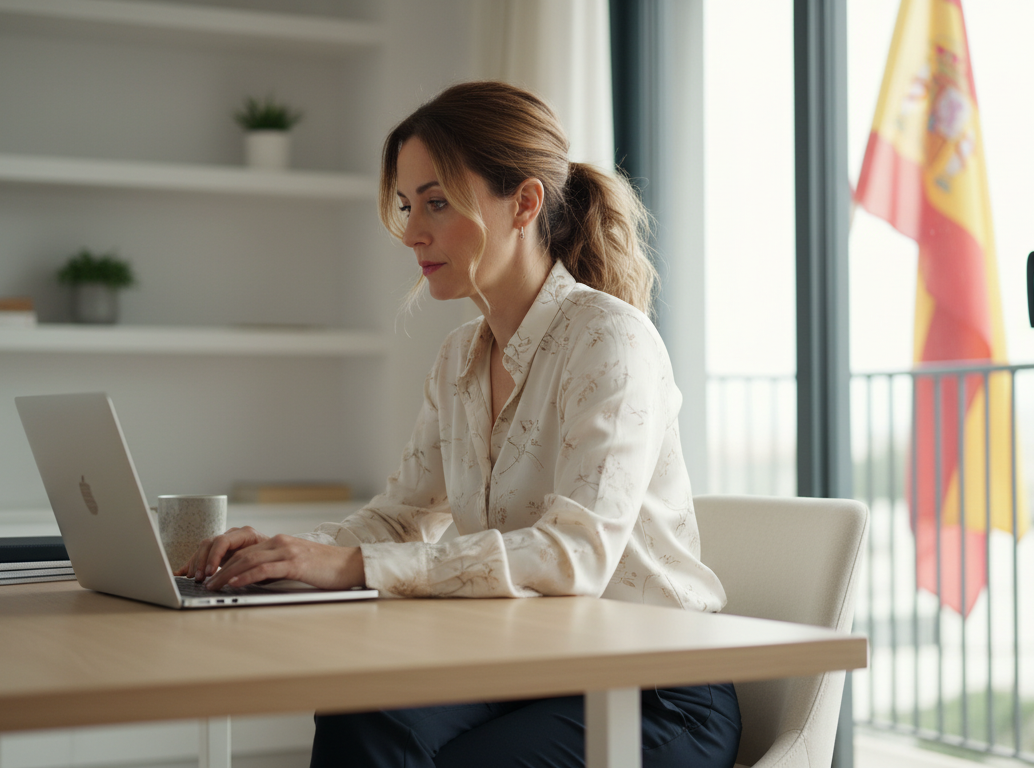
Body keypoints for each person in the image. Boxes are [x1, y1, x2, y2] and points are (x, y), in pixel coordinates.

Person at [176, 81, 741, 768]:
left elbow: (575, 556)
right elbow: (402, 516)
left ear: (524, 203)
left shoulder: (609, 340)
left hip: (657, 687)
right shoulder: (458, 359)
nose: (413, 231)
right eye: (409, 205)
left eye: (437, 203)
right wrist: (284, 554)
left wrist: (350, 566)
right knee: (365, 716)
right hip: (537, 663)